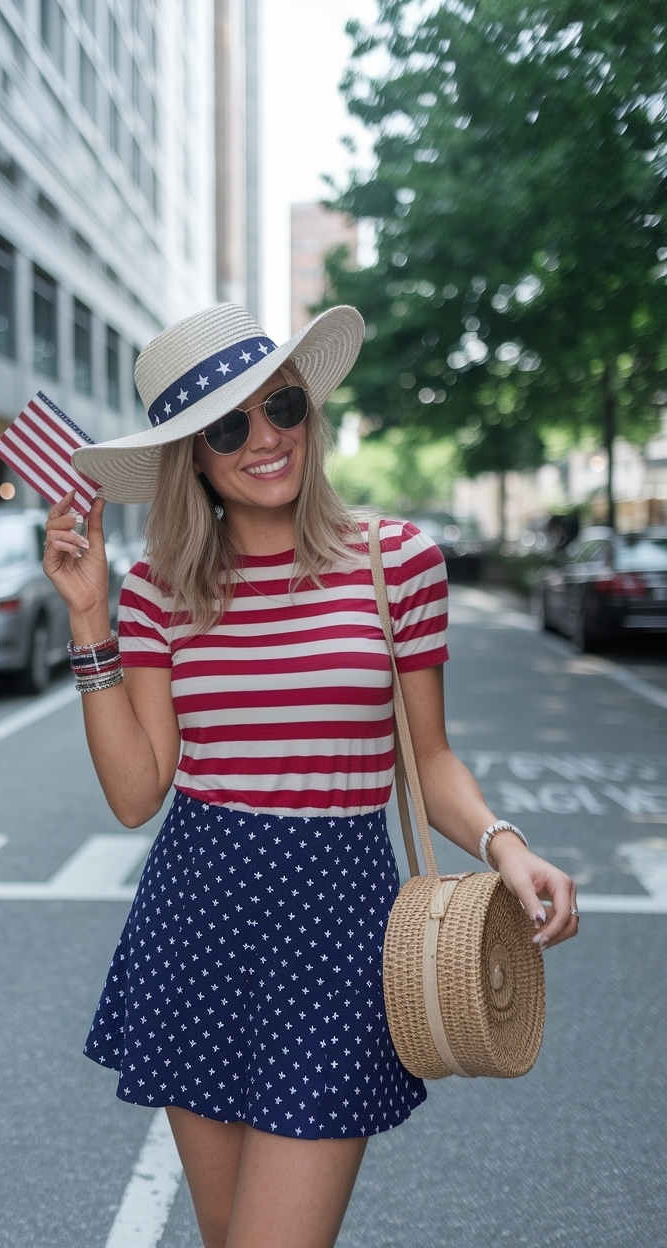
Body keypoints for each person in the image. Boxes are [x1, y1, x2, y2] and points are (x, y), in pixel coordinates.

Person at [43, 303, 579, 1248]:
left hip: (338, 924)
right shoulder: (158, 583)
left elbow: (430, 758)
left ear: (309, 412)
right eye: (227, 426)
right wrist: (91, 620)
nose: (265, 439)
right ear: (192, 458)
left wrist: (506, 846)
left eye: (281, 406)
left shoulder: (396, 561)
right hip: (196, 919)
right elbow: (136, 794)